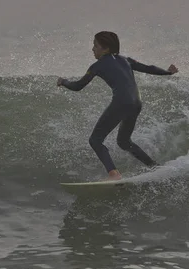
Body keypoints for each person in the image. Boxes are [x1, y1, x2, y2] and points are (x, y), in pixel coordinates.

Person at [57, 31, 178, 181]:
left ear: (106, 49)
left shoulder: (97, 66)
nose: (92, 49)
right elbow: (149, 68)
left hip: (121, 102)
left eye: (96, 45)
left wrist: (63, 81)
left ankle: (114, 174)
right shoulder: (125, 60)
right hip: (136, 103)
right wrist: (167, 72)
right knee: (124, 142)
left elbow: (77, 86)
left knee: (95, 140)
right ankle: (154, 167)